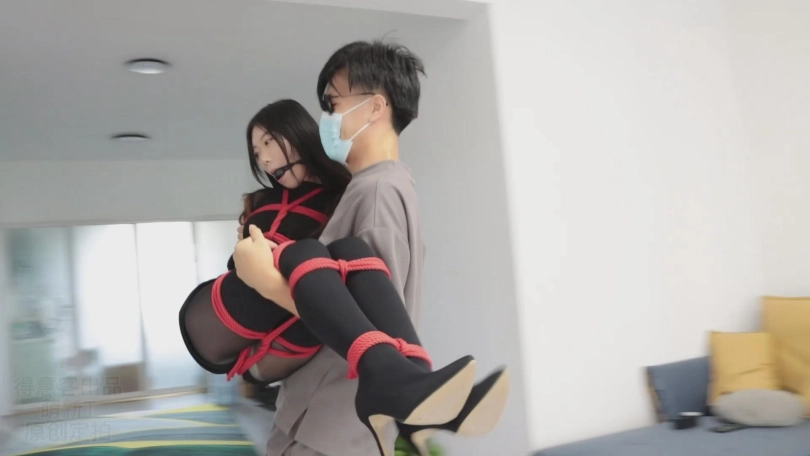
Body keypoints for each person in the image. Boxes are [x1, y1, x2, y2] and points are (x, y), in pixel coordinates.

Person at [231, 41, 510, 456]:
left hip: (328, 426)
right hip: (321, 419)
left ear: (375, 107)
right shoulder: (375, 187)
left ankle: (416, 404)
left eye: (332, 104)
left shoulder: (376, 193)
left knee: (304, 257)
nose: (326, 119)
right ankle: (422, 409)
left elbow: (368, 321)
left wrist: (265, 280)